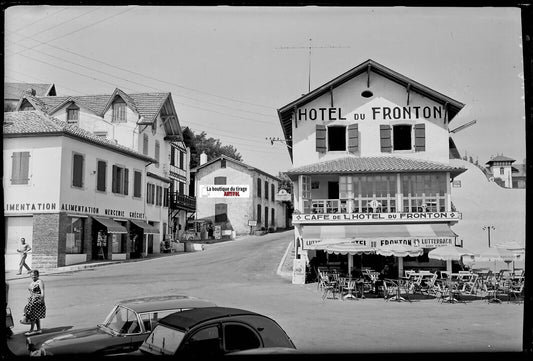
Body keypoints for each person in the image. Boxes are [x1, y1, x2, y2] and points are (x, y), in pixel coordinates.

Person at [23, 270, 46, 336]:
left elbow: (42, 291)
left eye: (35, 275)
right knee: (35, 315)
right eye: (32, 275)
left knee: (32, 316)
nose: (33, 276)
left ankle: (31, 330)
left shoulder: (40, 282)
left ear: (38, 275)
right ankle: (39, 329)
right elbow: (31, 293)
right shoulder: (31, 283)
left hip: (38, 300)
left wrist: (42, 299)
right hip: (32, 301)